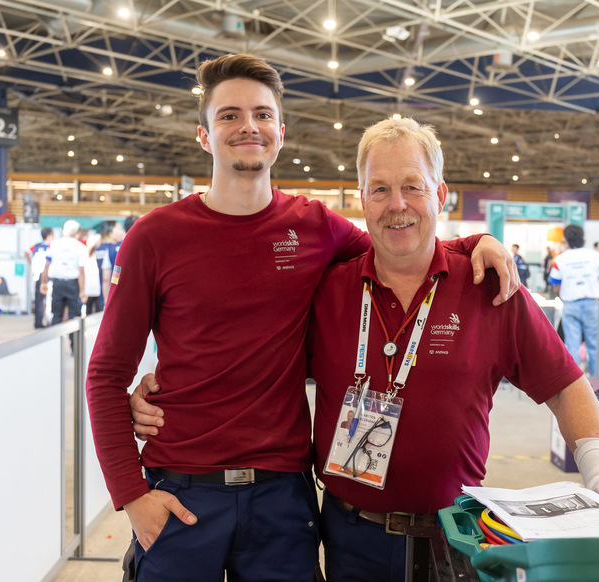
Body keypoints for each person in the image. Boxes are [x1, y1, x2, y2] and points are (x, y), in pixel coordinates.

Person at [131, 117, 599, 582]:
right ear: (361, 198)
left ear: (440, 194)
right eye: (379, 189)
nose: (396, 205)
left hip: (460, 535)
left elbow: (564, 385)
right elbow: (253, 361)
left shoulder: (489, 289)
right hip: (349, 539)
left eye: (412, 187)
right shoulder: (325, 290)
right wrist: (166, 391)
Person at [86, 53, 517, 582]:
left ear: (280, 132)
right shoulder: (155, 237)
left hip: (282, 497)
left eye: (262, 114)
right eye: (229, 115)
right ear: (203, 135)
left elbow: (400, 242)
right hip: (181, 491)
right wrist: (132, 497)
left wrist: (477, 240)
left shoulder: (313, 226)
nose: (249, 126)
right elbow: (105, 375)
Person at [548, 225, 599, 376]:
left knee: (572, 346)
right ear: (583, 237)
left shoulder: (560, 259)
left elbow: (555, 285)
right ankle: (595, 380)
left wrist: (564, 297)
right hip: (592, 304)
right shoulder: (595, 256)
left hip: (570, 305)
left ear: (566, 239)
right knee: (594, 346)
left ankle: (575, 384)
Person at [40, 219, 87, 326]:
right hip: (73, 284)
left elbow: (47, 265)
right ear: (78, 233)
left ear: (63, 230)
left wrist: (43, 282)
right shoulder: (81, 247)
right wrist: (82, 290)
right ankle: (74, 342)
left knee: (56, 315)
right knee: (74, 316)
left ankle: (56, 342)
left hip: (57, 284)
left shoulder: (54, 244)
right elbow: (81, 271)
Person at [26, 227, 54, 328]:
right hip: (47, 276)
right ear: (49, 235)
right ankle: (49, 322)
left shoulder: (36, 246)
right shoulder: (51, 246)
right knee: (49, 299)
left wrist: (32, 263)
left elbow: (26, 252)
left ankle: (38, 322)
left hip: (37, 275)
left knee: (38, 300)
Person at [83, 233, 103, 315]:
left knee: (89, 311)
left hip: (89, 288)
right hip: (96, 288)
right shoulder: (99, 255)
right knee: (97, 312)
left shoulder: (85, 255)